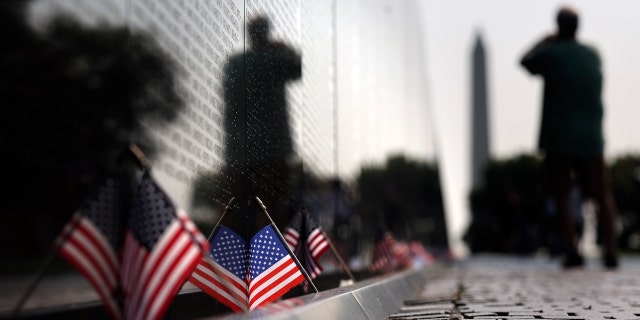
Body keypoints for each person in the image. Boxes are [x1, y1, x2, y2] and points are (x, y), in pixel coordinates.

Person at [520, 6, 619, 269]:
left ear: (559, 26)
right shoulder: (592, 53)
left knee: (562, 194)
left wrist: (545, 40)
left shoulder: (551, 54)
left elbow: (524, 61)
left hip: (559, 136)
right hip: (591, 136)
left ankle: (572, 251)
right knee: (601, 194)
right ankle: (611, 250)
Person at [220, 15, 302, 236]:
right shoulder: (275, 59)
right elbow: (299, 68)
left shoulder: (234, 63)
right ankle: (264, 266)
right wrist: (284, 48)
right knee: (269, 210)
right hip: (272, 151)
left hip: (238, 150)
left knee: (232, 211)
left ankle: (225, 264)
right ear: (265, 34)